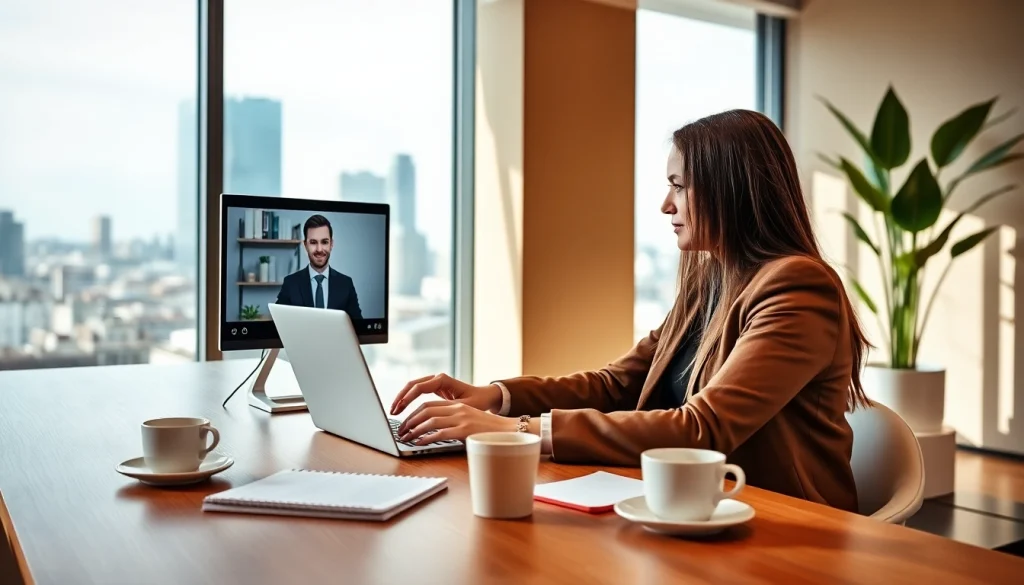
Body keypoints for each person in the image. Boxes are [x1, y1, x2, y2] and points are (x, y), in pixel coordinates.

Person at [390, 109, 870, 512]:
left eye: (679, 186)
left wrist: (516, 432)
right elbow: (615, 384)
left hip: (779, 520)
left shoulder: (799, 288)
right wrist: (494, 398)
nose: (666, 205)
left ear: (730, 190)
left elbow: (702, 428)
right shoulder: (711, 280)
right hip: (692, 506)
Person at [275, 214, 363, 320]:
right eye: (313, 242)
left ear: (331, 244)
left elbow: (359, 327)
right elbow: (278, 323)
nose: (319, 249)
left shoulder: (346, 284)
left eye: (324, 242)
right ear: (305, 245)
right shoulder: (290, 283)